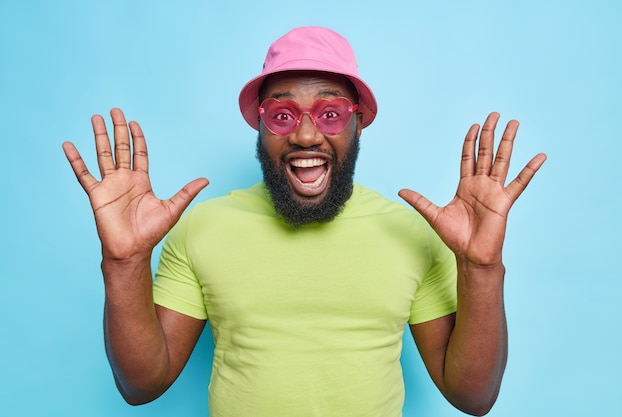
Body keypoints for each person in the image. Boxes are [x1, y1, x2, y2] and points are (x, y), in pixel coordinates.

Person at [62, 26, 546, 417]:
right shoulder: (202, 227)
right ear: (260, 124)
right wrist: (124, 261)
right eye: (283, 114)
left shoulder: (414, 232)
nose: (308, 134)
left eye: (331, 113)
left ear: (360, 123)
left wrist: (481, 266)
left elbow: (474, 397)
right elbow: (141, 386)